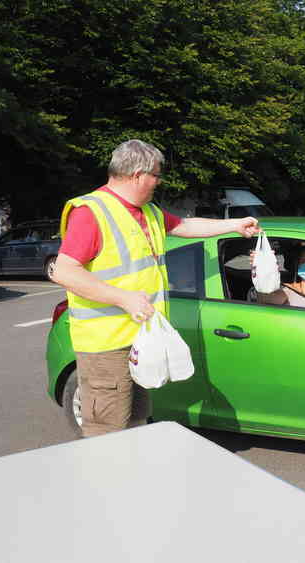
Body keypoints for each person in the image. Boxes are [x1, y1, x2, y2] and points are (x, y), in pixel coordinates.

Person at [52, 139, 259, 438]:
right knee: (107, 434)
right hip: (106, 347)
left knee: (137, 424)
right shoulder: (91, 212)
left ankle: (133, 481)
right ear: (138, 175)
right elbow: (64, 270)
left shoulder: (147, 210)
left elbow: (184, 227)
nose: (158, 183)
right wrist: (123, 299)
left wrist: (234, 225)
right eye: (156, 176)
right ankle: (105, 485)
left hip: (140, 339)